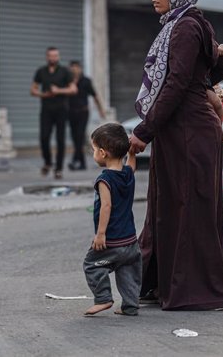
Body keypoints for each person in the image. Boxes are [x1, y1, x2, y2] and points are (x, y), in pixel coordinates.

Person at [128, 0, 223, 310]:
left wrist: (144, 131)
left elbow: (173, 86)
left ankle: (196, 290)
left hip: (188, 131)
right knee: (167, 206)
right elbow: (218, 69)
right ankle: (160, 283)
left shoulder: (186, 27)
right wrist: (216, 51)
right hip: (181, 131)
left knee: (188, 209)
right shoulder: (190, 23)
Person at [83, 123, 141, 316]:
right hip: (130, 240)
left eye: (93, 150)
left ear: (102, 152)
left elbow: (106, 206)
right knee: (128, 271)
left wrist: (100, 235)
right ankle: (130, 305)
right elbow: (131, 167)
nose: (93, 154)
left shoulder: (104, 179)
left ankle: (103, 298)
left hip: (112, 240)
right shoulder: (126, 174)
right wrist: (132, 155)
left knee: (91, 265)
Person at [31, 47, 77, 179]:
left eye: (55, 56)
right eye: (51, 56)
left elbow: (73, 89)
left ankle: (59, 168)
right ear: (47, 57)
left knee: (60, 139)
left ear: (58, 57)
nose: (53, 58)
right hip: (46, 110)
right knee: (44, 137)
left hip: (61, 110)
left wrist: (58, 91)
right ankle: (47, 162)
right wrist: (43, 94)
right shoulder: (41, 71)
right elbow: (33, 90)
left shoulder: (65, 71)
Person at [68, 60, 106, 171]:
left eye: (76, 67)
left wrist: (101, 110)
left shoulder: (86, 81)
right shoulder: (67, 81)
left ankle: (76, 161)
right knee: (75, 138)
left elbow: (95, 96)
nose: (74, 69)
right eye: (72, 67)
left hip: (83, 112)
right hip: (70, 112)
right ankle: (80, 163)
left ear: (80, 68)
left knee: (79, 136)